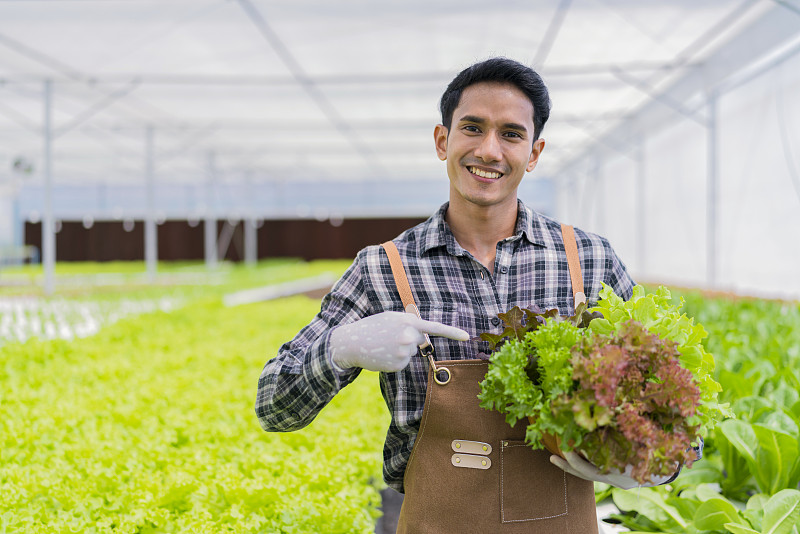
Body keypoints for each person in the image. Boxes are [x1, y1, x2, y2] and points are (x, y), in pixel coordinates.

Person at [256, 57, 687, 533]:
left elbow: (680, 418)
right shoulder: (383, 269)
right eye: (473, 128)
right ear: (443, 141)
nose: (489, 150)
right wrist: (342, 348)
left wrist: (644, 466)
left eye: (511, 134)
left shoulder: (588, 260)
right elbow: (274, 405)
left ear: (535, 152)